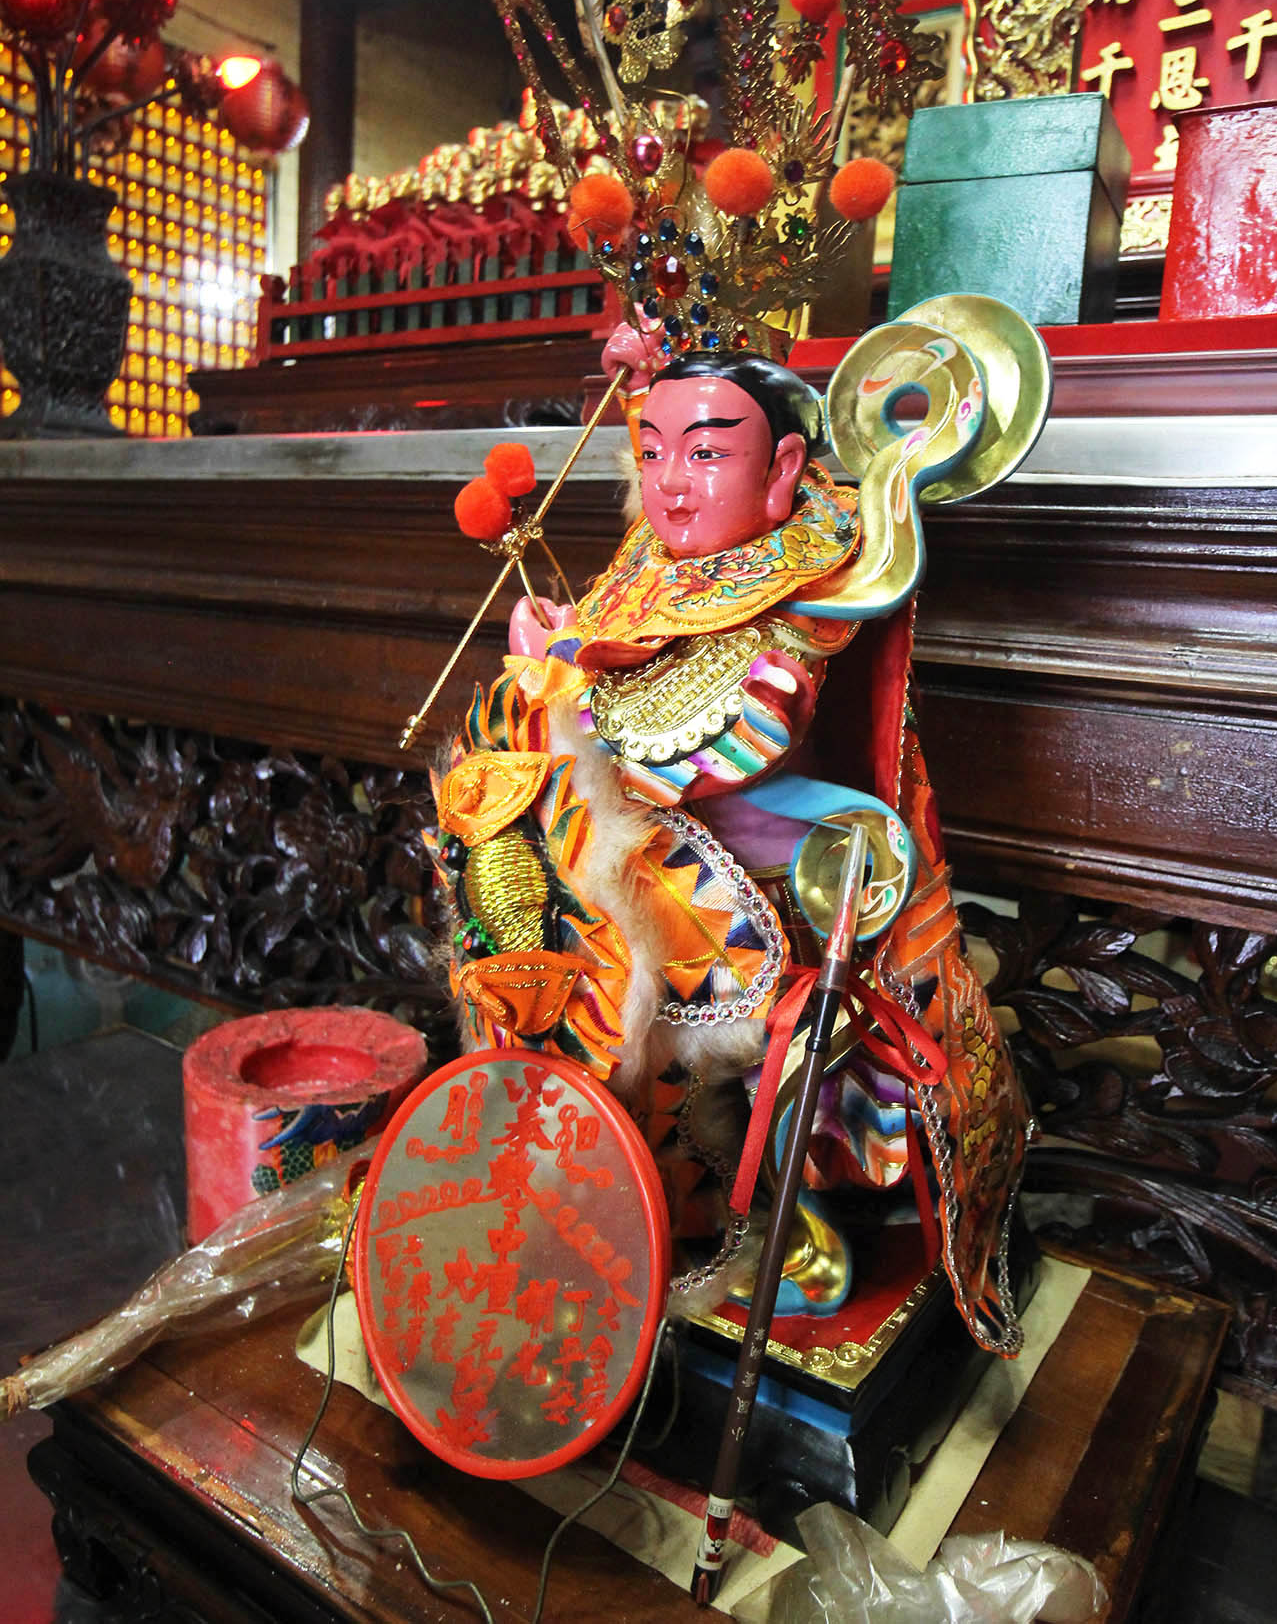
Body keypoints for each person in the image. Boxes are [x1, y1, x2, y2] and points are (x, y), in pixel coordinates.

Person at [427, 321, 1028, 1349]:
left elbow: (724, 746)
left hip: (771, 880)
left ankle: (774, 1225)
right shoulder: (648, 569)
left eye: (705, 451)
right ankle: (599, 1190)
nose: (670, 482)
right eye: (652, 450)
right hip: (644, 862)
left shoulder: (802, 587)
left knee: (708, 1021)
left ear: (783, 466)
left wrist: (572, 691)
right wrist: (556, 654)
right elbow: (603, 675)